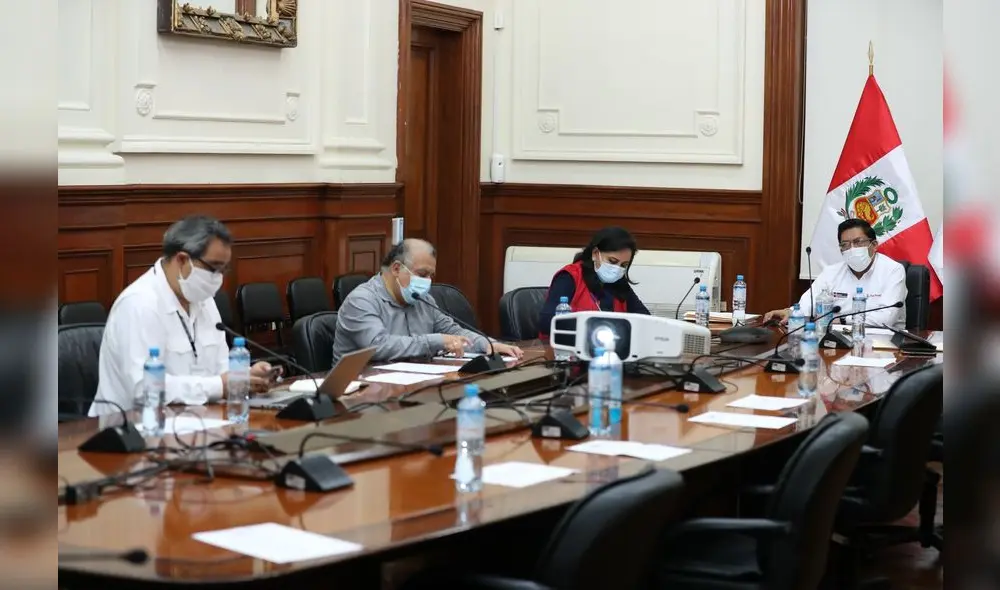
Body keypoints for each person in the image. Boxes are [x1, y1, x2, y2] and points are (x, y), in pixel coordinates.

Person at [90, 216, 277, 417]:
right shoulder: (139, 304)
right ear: (182, 260)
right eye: (213, 268)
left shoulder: (203, 299)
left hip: (193, 422)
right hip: (126, 430)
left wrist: (245, 376)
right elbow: (143, 388)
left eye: (223, 269)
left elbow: (221, 369)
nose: (218, 278)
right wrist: (219, 386)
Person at [333, 238, 523, 363]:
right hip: (361, 394)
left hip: (410, 388)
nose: (427, 282)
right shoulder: (361, 300)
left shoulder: (423, 299)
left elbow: (453, 331)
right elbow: (378, 347)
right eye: (422, 274)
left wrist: (489, 344)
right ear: (397, 269)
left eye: (431, 275)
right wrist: (437, 341)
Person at [763, 218, 908, 329]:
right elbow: (808, 304)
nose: (852, 249)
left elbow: (885, 318)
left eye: (858, 242)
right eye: (845, 245)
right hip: (837, 340)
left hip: (884, 344)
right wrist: (791, 312)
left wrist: (841, 319)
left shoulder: (893, 271)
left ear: (874, 245)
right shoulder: (832, 272)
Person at [538, 226, 650, 339]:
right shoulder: (569, 277)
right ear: (595, 253)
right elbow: (547, 322)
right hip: (565, 350)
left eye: (623, 265)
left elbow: (645, 319)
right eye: (612, 261)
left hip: (609, 351)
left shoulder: (619, 283)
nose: (617, 269)